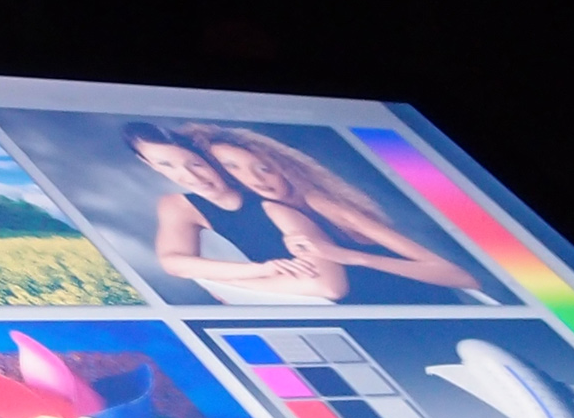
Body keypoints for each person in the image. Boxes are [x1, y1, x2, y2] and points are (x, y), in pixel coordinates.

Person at [179, 123, 485, 303]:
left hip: (416, 304)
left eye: (264, 168)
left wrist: (352, 257)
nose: (255, 179)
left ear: (283, 167)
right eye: (233, 167)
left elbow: (461, 277)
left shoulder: (320, 203)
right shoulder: (260, 214)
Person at [122, 122, 348, 302]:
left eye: (196, 164)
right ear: (149, 164)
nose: (190, 177)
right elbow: (174, 263)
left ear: (212, 160)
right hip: (294, 298)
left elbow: (329, 287)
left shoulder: (274, 205)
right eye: (165, 165)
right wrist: (259, 270)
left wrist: (235, 284)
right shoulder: (178, 205)